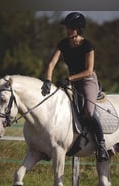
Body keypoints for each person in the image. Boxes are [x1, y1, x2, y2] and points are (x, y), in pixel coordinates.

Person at [41, 12, 109, 162]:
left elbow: (89, 70)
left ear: (79, 29)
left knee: (88, 112)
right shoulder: (63, 44)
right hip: (71, 81)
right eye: (67, 27)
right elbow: (52, 63)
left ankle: (102, 146)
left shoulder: (88, 45)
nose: (68, 30)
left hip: (87, 80)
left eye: (71, 27)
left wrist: (68, 78)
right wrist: (47, 80)